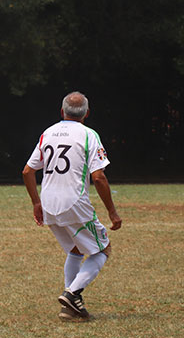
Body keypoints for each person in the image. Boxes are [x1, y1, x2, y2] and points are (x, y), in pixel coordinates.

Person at [22, 91, 122, 321]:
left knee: (76, 250)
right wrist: (112, 212)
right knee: (102, 250)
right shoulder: (89, 135)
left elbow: (27, 171)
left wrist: (36, 202)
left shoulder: (48, 132)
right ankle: (72, 292)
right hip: (74, 202)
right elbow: (99, 177)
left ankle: (70, 307)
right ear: (87, 113)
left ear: (62, 112)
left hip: (48, 202)